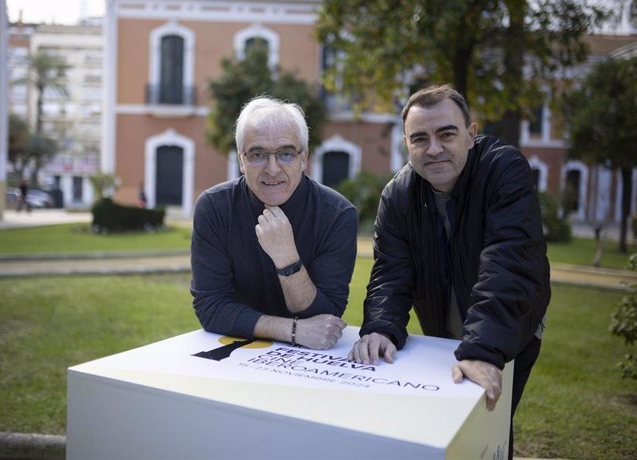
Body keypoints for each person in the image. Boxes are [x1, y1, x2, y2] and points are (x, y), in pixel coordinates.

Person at [349, 85, 550, 457]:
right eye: (420, 138)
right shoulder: (397, 196)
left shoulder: (503, 170)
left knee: (489, 427)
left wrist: (484, 349)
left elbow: (509, 260)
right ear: (406, 144)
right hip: (443, 334)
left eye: (447, 134)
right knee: (448, 431)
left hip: (509, 326)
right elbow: (391, 273)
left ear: (471, 135)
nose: (434, 148)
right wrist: (380, 325)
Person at [190, 96, 358, 350]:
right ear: (241, 160)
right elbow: (211, 308)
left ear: (304, 158)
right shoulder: (214, 207)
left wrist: (287, 259)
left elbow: (326, 316)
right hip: (235, 353)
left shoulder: (337, 215)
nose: (272, 168)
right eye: (257, 154)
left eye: (286, 154)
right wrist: (291, 330)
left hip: (313, 361)